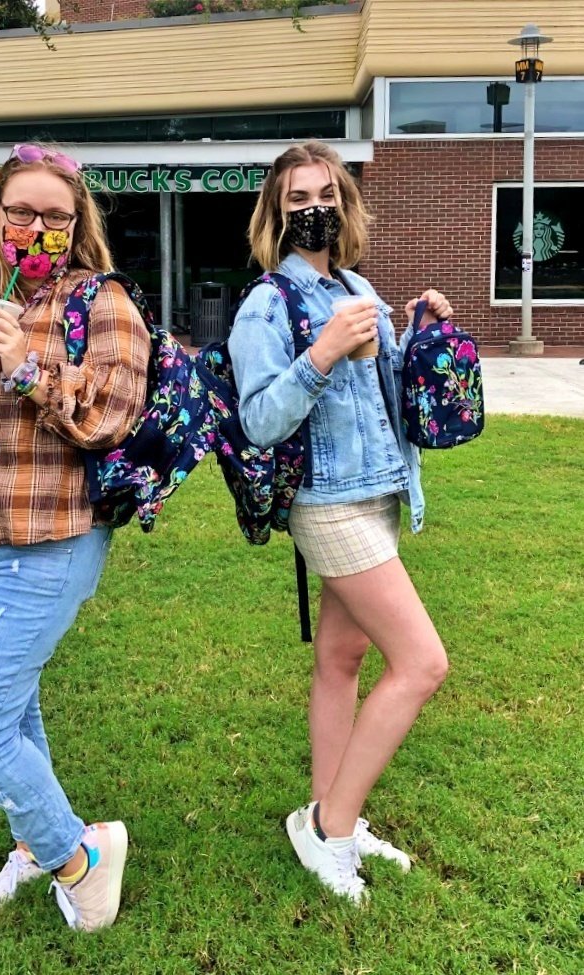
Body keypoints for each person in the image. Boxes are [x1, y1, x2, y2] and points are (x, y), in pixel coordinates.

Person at [0, 144, 149, 930]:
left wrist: (25, 364)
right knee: (9, 712)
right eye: (21, 211)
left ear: (77, 222)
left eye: (55, 215)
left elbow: (113, 416)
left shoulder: (103, 303)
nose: (36, 227)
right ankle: (34, 845)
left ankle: (80, 859)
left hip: (44, 543)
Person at [228, 140, 451, 904]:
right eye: (297, 199)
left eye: (326, 194)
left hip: (378, 491)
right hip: (326, 503)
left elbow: (384, 393)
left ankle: (330, 811)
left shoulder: (359, 286)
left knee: (342, 658)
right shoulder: (267, 304)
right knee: (421, 662)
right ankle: (329, 829)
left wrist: (417, 331)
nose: (314, 208)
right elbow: (260, 421)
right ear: (276, 212)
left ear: (346, 204)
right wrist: (319, 354)